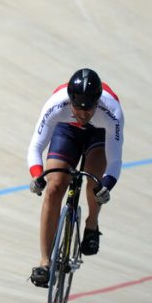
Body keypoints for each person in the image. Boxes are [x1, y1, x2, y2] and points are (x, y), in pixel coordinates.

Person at [27, 68, 125, 287]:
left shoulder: (111, 111)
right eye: (78, 108)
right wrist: (37, 176)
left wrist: (107, 185)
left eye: (88, 109)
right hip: (67, 130)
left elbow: (115, 159)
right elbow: (36, 146)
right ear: (70, 100)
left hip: (98, 133)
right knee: (54, 187)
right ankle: (44, 262)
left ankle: (92, 223)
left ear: (97, 102)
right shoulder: (56, 104)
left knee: (95, 180)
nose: (83, 114)